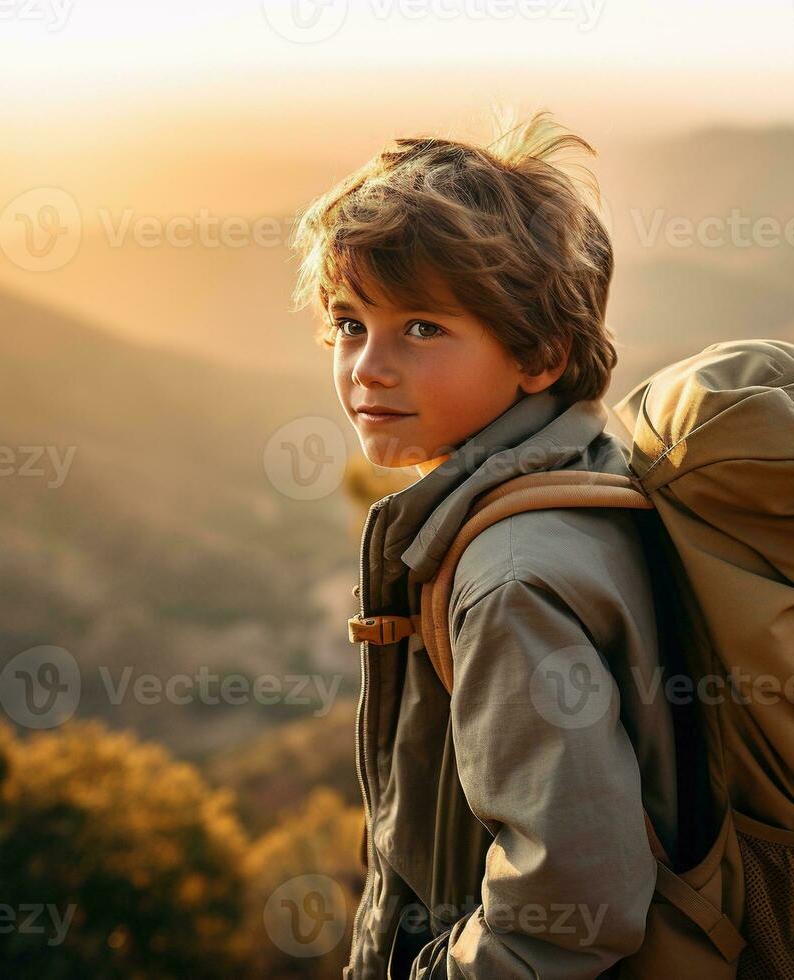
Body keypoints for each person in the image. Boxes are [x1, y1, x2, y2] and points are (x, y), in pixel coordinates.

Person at [290, 109, 679, 980]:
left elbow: (570, 911)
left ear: (540, 353)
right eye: (350, 324)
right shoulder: (588, 471)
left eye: (422, 328)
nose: (367, 368)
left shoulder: (508, 578)